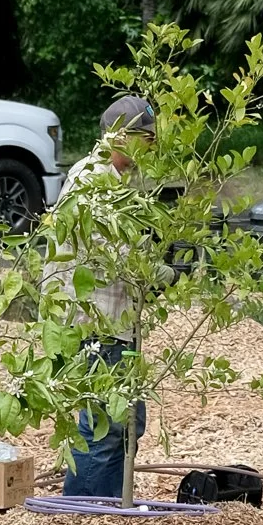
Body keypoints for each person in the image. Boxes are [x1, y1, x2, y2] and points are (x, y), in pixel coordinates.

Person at [48, 92, 155, 497]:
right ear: (120, 136)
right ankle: (84, 512)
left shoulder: (115, 182)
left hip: (114, 324)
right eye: (146, 141)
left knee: (127, 422)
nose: (150, 150)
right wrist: (149, 265)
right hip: (94, 325)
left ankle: (107, 508)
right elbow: (106, 254)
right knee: (104, 425)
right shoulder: (91, 179)